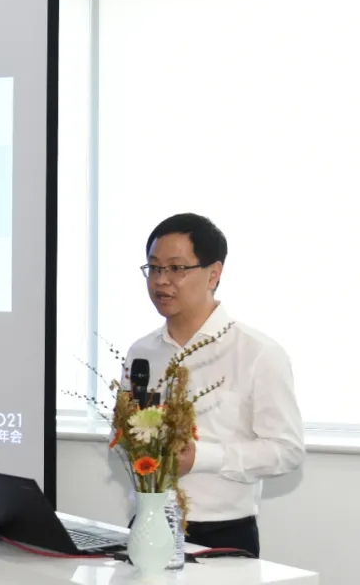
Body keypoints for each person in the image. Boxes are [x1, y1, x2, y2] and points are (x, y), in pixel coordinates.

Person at [123, 213, 305, 558]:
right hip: (147, 524)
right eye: (154, 268)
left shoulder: (257, 352)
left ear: (214, 274)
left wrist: (202, 458)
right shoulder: (141, 352)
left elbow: (287, 450)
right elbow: (125, 433)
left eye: (176, 268)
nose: (161, 280)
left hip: (223, 534)